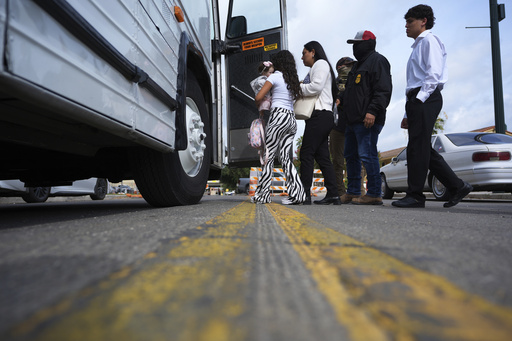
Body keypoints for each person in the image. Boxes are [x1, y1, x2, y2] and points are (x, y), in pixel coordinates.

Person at [392, 5, 472, 208]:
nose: (406, 26)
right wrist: (408, 111)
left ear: (423, 21)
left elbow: (433, 74)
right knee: (420, 148)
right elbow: (414, 81)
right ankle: (457, 186)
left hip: (425, 97)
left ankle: (416, 196)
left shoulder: (429, 40)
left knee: (417, 148)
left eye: (409, 21)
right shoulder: (417, 46)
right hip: (417, 98)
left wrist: (420, 99)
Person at [340, 30, 392, 205]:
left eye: (357, 43)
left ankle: (374, 193)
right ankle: (353, 191)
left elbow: (383, 90)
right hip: (352, 120)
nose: (355, 47)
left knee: (367, 155)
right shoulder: (357, 65)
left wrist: (373, 111)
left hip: (368, 119)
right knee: (351, 155)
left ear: (367, 44)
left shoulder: (378, 61)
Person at [251, 50, 306, 205]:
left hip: (278, 117)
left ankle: (263, 195)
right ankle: (298, 194)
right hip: (290, 119)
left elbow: (258, 97)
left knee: (268, 157)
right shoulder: (292, 80)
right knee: (286, 158)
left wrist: (259, 105)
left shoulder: (275, 77)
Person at [330, 57, 355, 197]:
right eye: (347, 66)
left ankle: (357, 191)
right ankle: (340, 191)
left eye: (351, 65)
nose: (349, 68)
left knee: (356, 159)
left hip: (354, 123)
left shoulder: (356, 80)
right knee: (337, 161)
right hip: (337, 126)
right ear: (339, 68)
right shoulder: (333, 84)